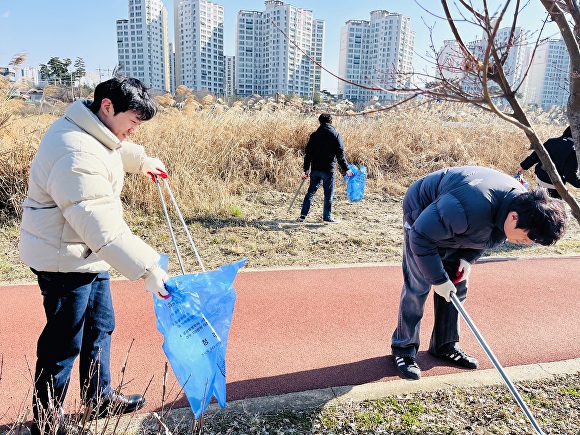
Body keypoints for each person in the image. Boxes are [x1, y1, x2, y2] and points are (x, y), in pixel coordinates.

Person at [19, 76, 171, 434]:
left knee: (100, 326)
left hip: (86, 252)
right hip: (63, 256)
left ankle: (98, 396)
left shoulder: (94, 130)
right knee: (64, 339)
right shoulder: (74, 151)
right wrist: (149, 269)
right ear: (107, 107)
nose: (133, 131)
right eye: (133, 122)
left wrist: (144, 160)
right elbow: (98, 221)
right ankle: (46, 420)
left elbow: (114, 148)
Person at [391, 166, 567, 380]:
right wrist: (437, 279)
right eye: (528, 237)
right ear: (513, 218)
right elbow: (420, 236)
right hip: (421, 213)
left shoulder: (521, 208)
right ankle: (404, 348)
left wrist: (467, 258)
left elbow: (489, 234)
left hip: (455, 218)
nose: (527, 243)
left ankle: (444, 345)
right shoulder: (466, 209)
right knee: (418, 285)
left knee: (456, 286)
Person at [297, 113, 354, 223]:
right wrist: (346, 169)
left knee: (311, 192)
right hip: (328, 170)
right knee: (328, 194)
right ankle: (327, 217)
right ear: (331, 122)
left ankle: (303, 216)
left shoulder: (314, 135)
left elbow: (308, 154)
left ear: (320, 122)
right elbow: (340, 155)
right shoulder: (335, 134)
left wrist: (306, 170)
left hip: (315, 169)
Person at [517, 126, 580, 199]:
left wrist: (522, 167)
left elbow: (536, 155)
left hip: (540, 178)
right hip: (553, 185)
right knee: (554, 208)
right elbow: (570, 176)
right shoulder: (574, 151)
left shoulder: (552, 141)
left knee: (542, 201)